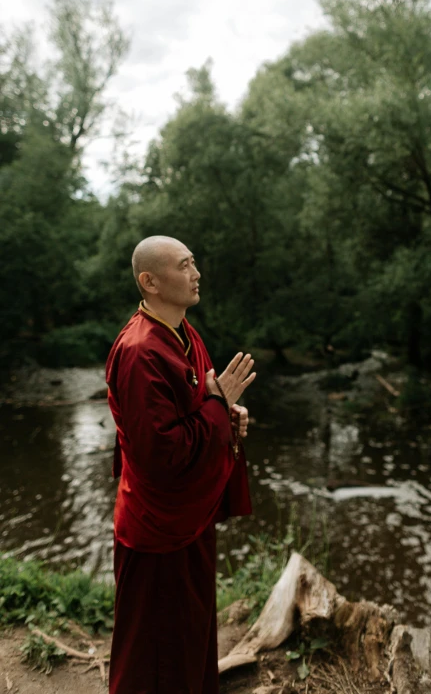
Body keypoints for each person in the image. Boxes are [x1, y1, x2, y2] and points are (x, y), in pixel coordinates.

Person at [105, 235, 256, 694]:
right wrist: (217, 405)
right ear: (149, 281)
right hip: (156, 526)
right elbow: (160, 454)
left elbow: (198, 407)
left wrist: (230, 417)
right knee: (152, 647)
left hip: (188, 516)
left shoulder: (185, 334)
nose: (197, 273)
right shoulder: (138, 351)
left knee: (190, 633)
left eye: (194, 263)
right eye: (185, 265)